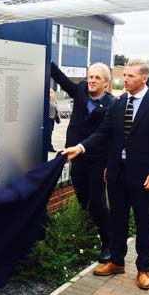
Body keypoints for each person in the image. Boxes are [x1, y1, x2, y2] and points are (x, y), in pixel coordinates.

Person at [63, 59, 149, 290]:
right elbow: (104, 133)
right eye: (124, 76)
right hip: (116, 174)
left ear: (144, 78)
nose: (125, 80)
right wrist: (81, 147)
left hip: (144, 177)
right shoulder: (119, 102)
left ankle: (144, 269)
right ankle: (116, 261)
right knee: (117, 220)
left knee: (144, 223)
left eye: (131, 76)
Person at [51, 61, 115, 262]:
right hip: (76, 157)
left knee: (97, 201)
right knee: (82, 198)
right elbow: (60, 77)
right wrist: (46, 55)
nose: (92, 81)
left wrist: (107, 164)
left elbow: (105, 135)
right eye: (90, 77)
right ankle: (88, 234)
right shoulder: (80, 91)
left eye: (97, 78)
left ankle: (108, 243)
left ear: (106, 82)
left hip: (97, 159)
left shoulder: (113, 105)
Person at [47, 88, 60, 152]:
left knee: (50, 133)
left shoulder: (54, 100)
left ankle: (48, 146)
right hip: (47, 119)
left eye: (52, 92)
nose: (50, 94)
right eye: (49, 92)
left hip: (52, 120)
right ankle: (49, 146)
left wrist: (58, 119)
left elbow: (56, 110)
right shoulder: (45, 100)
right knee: (48, 133)